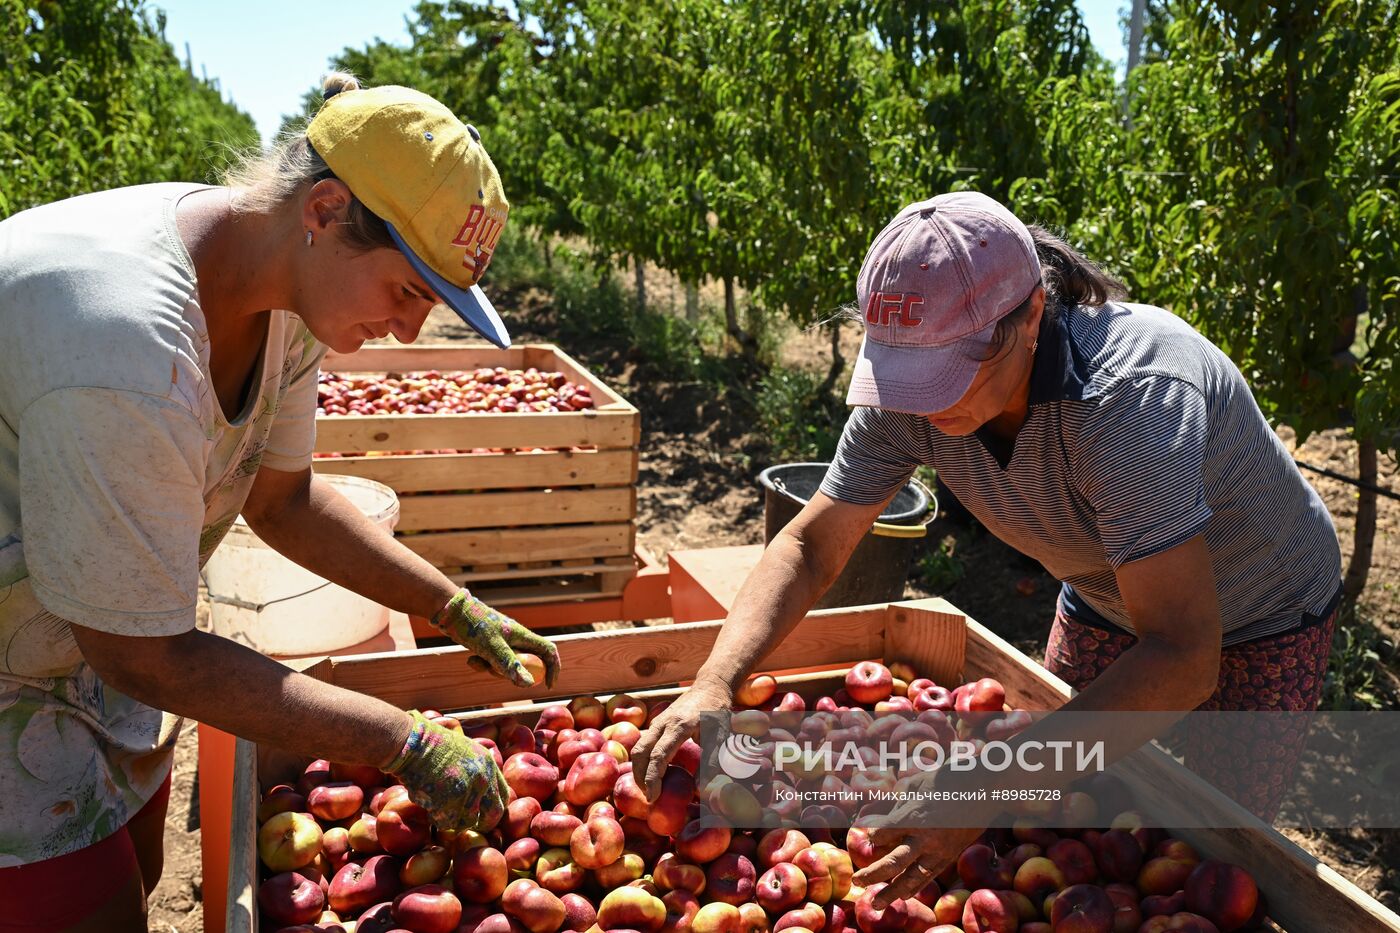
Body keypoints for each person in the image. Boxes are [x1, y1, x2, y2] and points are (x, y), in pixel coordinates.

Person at [632, 191, 1341, 902]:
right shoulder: (907, 399)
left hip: (1263, 607)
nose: (924, 403)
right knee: (1074, 817)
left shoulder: (1129, 402)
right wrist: (716, 678)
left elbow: (1186, 656)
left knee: (1212, 850)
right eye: (905, 375)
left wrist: (982, 784)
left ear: (1031, 314)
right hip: (1102, 585)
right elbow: (813, 546)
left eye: (949, 371)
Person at [0, 74, 560, 932]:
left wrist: (449, 605)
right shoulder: (128, 346)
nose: (410, 332)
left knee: (132, 873)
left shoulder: (283, 292)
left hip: (90, 626)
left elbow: (285, 501)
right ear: (327, 209)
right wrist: (399, 740)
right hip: (35, 662)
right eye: (409, 291)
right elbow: (141, 655)